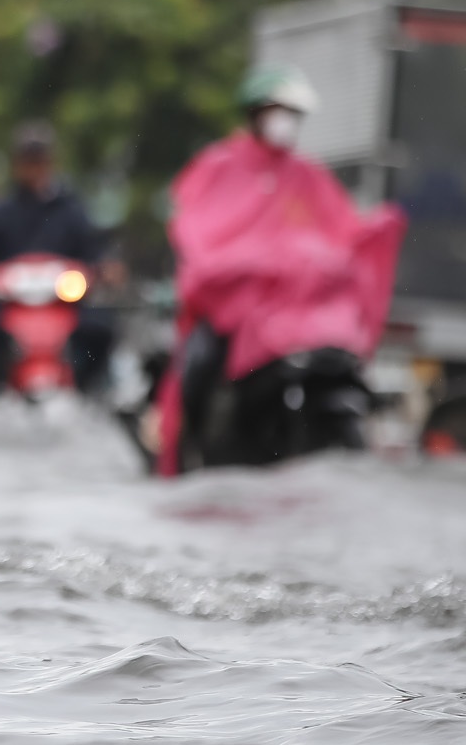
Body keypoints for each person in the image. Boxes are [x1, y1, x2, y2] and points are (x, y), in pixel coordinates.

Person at [153, 63, 404, 475]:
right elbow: (196, 230)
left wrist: (372, 231)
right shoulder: (219, 165)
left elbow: (340, 230)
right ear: (254, 113)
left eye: (292, 114)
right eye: (276, 111)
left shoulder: (308, 174)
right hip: (232, 306)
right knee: (194, 367)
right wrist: (241, 266)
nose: (284, 122)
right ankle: (184, 456)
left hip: (298, 314)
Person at [0, 121, 121, 392]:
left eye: (39, 159)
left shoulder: (71, 211)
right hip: (11, 306)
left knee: (100, 329)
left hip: (62, 304)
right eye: (28, 160)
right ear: (17, 163)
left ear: (50, 162)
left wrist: (104, 268)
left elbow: (96, 253)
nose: (34, 167)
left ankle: (88, 389)